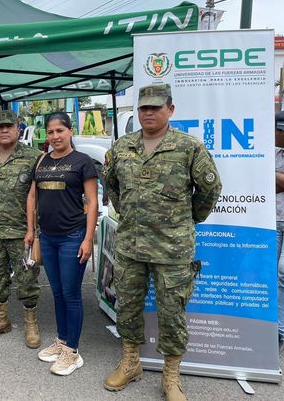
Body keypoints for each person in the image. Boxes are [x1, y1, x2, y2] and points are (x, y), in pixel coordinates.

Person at [102, 83, 221, 401]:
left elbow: (210, 188)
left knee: (172, 313)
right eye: (144, 108)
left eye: (155, 107)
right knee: (128, 306)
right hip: (130, 245)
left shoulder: (188, 147)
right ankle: (130, 362)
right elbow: (111, 183)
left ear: (170, 109)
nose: (149, 113)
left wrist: (188, 219)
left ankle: (171, 377)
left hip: (172, 249)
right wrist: (128, 212)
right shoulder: (122, 146)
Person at [25, 112, 98, 375]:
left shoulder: (82, 161)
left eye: (60, 131)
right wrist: (30, 230)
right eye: (51, 132)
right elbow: (32, 196)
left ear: (70, 131)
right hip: (48, 237)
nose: (55, 136)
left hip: (73, 236)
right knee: (57, 293)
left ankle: (72, 352)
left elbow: (92, 202)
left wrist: (88, 239)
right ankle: (62, 340)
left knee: (71, 293)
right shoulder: (41, 160)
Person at [0, 110, 42, 349]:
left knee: (27, 279)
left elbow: (42, 194)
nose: (4, 130)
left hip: (22, 232)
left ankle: (30, 321)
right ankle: (1, 318)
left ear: (18, 129)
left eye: (9, 126)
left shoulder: (34, 157)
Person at [274, 111, 284, 352]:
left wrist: (272, 174)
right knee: (269, 272)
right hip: (272, 220)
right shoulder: (272, 153)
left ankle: (280, 330)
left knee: (283, 271)